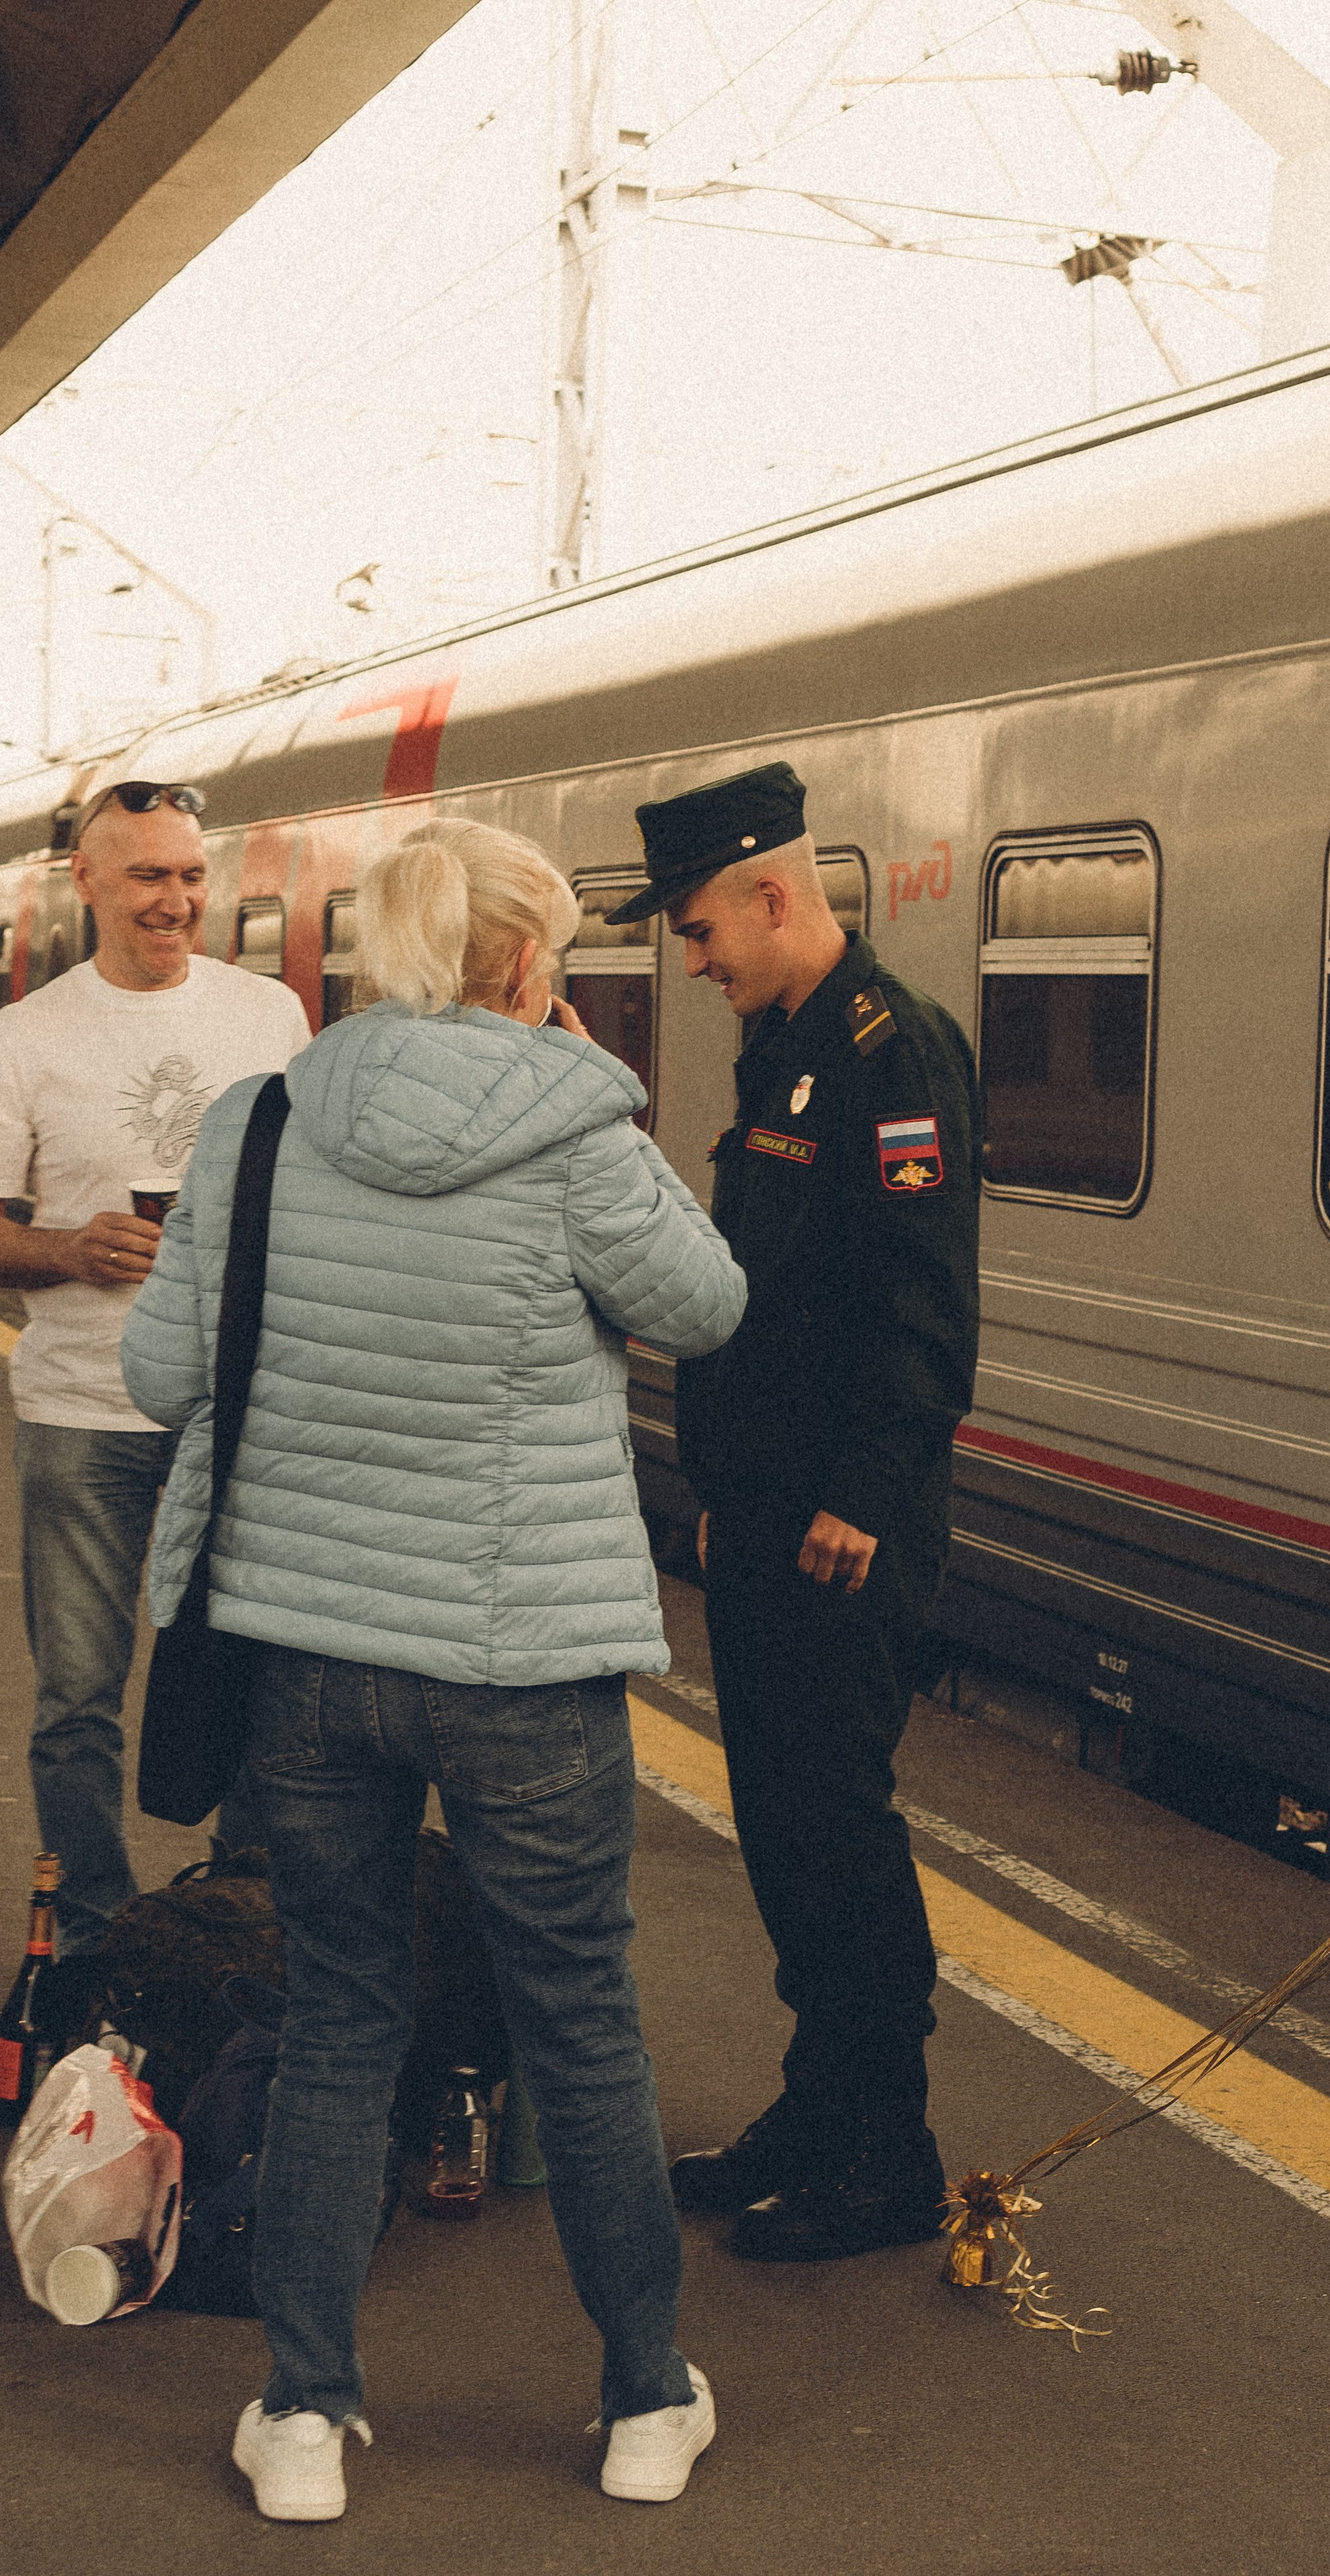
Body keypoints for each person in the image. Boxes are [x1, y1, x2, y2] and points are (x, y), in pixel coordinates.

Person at [122, 816, 746, 2526]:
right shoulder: (576, 1127)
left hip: (309, 1657)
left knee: (340, 2019)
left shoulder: (258, 1123)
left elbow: (167, 1375)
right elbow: (704, 1304)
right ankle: (643, 2403)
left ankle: (304, 2418)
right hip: (521, 1662)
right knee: (580, 2024)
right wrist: (580, 1088)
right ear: (527, 964)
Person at [607, 761, 980, 2263]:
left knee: (836, 1833)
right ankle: (818, 2110)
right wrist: (731, 1497)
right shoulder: (786, 1046)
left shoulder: (895, 1053)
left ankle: (884, 2154)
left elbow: (922, 1308)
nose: (692, 962)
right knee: (780, 1828)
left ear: (772, 894)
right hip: (770, 1515)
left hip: (843, 1528)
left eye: (700, 931)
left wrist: (858, 1499)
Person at [0, 780, 310, 1958]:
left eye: (190, 875)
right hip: (82, 1412)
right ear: (85, 883)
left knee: (258, 1683)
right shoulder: (26, 1038)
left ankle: (232, 1927)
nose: (176, 901)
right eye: (148, 877)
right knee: (78, 1700)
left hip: (239, 1413)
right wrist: (68, 1250)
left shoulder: (270, 1014)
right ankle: (96, 1941)